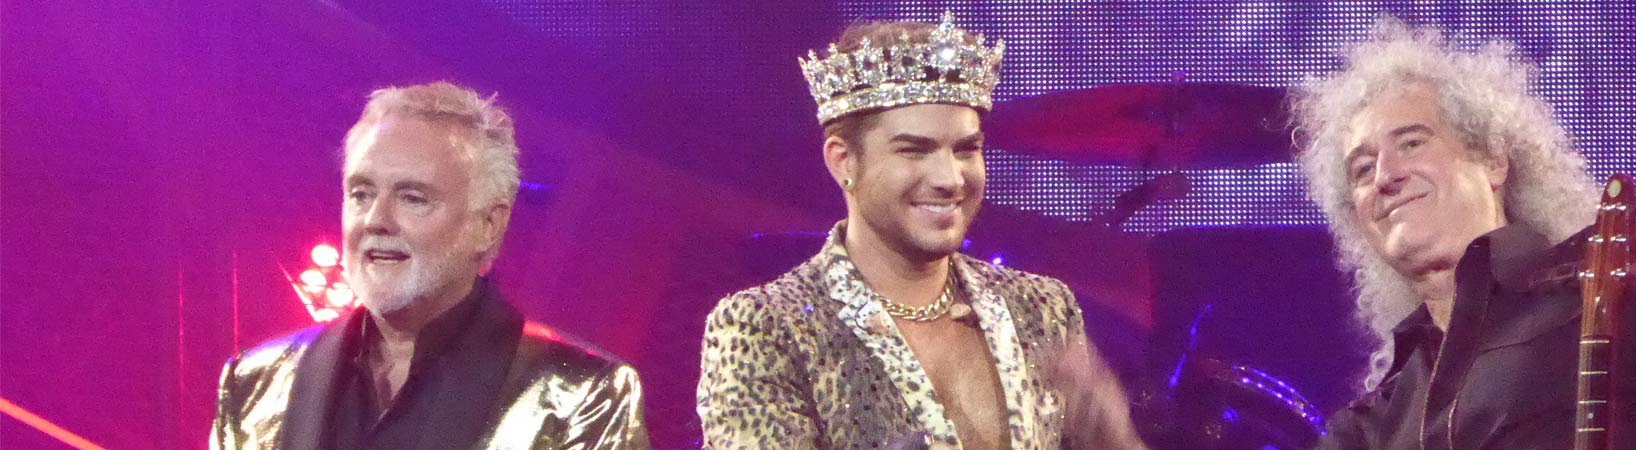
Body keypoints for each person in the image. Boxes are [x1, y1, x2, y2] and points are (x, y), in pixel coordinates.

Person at [1291, 19, 1636, 450]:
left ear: (1493, 159)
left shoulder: (1617, 273)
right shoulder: (1371, 425)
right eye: (1362, 169)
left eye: (1412, 143)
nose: (1385, 176)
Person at [696, 12, 1144, 450]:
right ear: (843, 161)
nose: (950, 178)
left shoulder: (1040, 309)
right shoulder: (768, 327)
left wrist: (1114, 439)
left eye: (966, 149)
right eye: (914, 150)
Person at [209, 82, 651, 450]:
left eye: (412, 198)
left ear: (488, 226)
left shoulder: (581, 397)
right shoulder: (254, 382)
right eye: (361, 194)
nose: (375, 219)